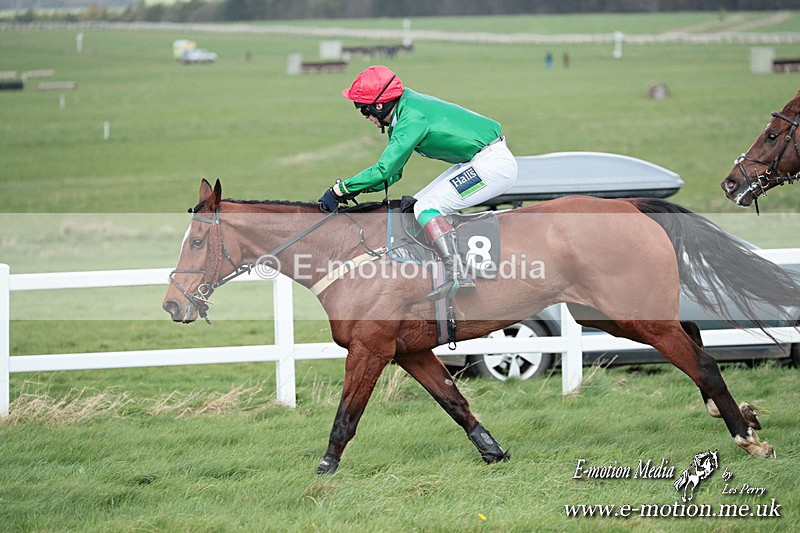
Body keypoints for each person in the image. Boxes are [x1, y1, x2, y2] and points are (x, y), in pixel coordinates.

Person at [319, 65, 517, 301]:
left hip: (493, 165)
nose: (365, 117)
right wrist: (353, 191)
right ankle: (432, 268)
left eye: (363, 110)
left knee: (426, 208)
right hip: (479, 159)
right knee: (416, 205)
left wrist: (340, 189)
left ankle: (459, 273)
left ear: (379, 106)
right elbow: (393, 174)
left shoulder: (411, 118)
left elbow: (384, 170)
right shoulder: (403, 111)